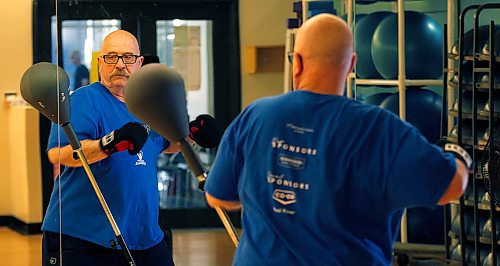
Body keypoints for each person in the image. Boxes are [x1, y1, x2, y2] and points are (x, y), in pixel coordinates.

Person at [204, 14, 470, 265]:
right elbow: (453, 186)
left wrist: (271, 199)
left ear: (296, 61)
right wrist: (459, 155)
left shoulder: (254, 116)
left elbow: (218, 197)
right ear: (352, 64)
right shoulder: (382, 129)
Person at [42, 30, 178, 266]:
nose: (120, 64)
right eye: (111, 57)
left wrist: (191, 133)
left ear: (139, 63)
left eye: (127, 57)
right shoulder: (85, 99)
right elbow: (58, 153)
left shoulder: (147, 105)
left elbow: (166, 144)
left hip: (143, 234)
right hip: (86, 237)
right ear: (99, 62)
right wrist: (109, 143)